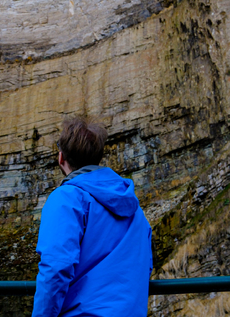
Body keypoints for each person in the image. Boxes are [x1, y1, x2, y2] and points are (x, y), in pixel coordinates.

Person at [32, 117, 153, 317]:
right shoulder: (135, 210)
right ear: (98, 157)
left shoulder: (66, 199)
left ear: (61, 158)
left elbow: (56, 268)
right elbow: (144, 267)